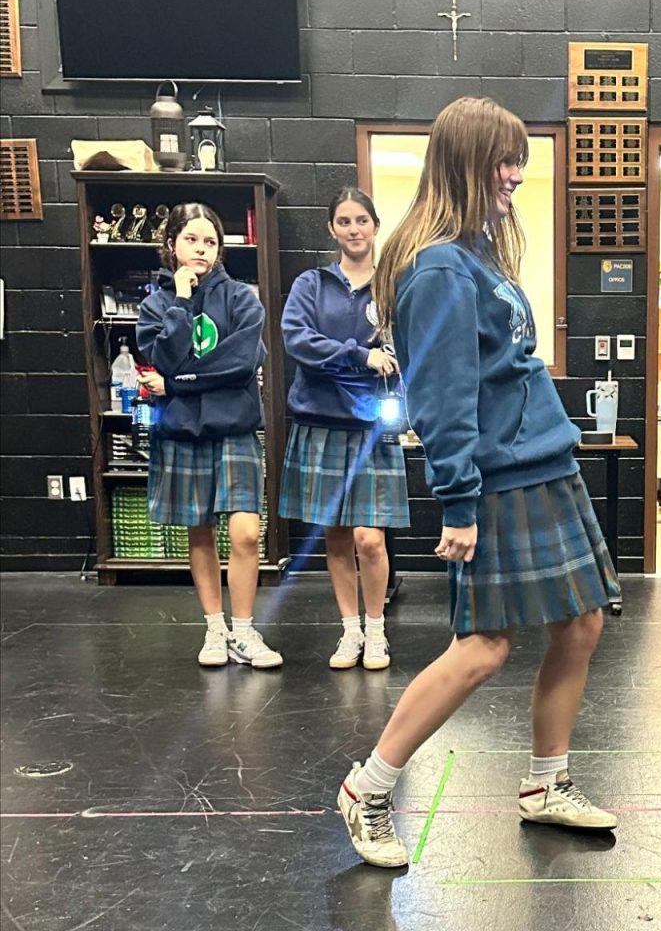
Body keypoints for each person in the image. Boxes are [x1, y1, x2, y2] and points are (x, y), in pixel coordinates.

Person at [336, 97, 621, 868]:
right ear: (464, 161)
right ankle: (368, 787)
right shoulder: (436, 267)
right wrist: (457, 501)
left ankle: (544, 785)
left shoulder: (477, 253)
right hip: (495, 483)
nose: (517, 176)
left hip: (545, 466)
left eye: (521, 159)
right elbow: (442, 397)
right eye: (505, 159)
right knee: (485, 646)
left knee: (584, 622)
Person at [136, 202, 281, 669]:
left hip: (233, 429)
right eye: (191, 240)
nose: (201, 249)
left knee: (246, 533)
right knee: (200, 533)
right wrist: (180, 300)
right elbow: (166, 357)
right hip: (182, 434)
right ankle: (215, 628)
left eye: (210, 242)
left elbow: (242, 364)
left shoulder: (242, 298)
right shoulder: (156, 304)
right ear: (172, 245)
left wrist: (178, 384)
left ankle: (243, 630)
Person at [279, 187, 409, 670]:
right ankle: (349, 631)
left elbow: (405, 352)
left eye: (362, 221)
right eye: (344, 221)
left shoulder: (394, 286)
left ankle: (376, 632)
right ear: (332, 229)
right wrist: (361, 356)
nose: (354, 229)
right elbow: (299, 342)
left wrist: (383, 363)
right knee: (335, 537)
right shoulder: (310, 284)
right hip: (319, 423)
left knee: (369, 539)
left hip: (371, 428)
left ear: (375, 227)